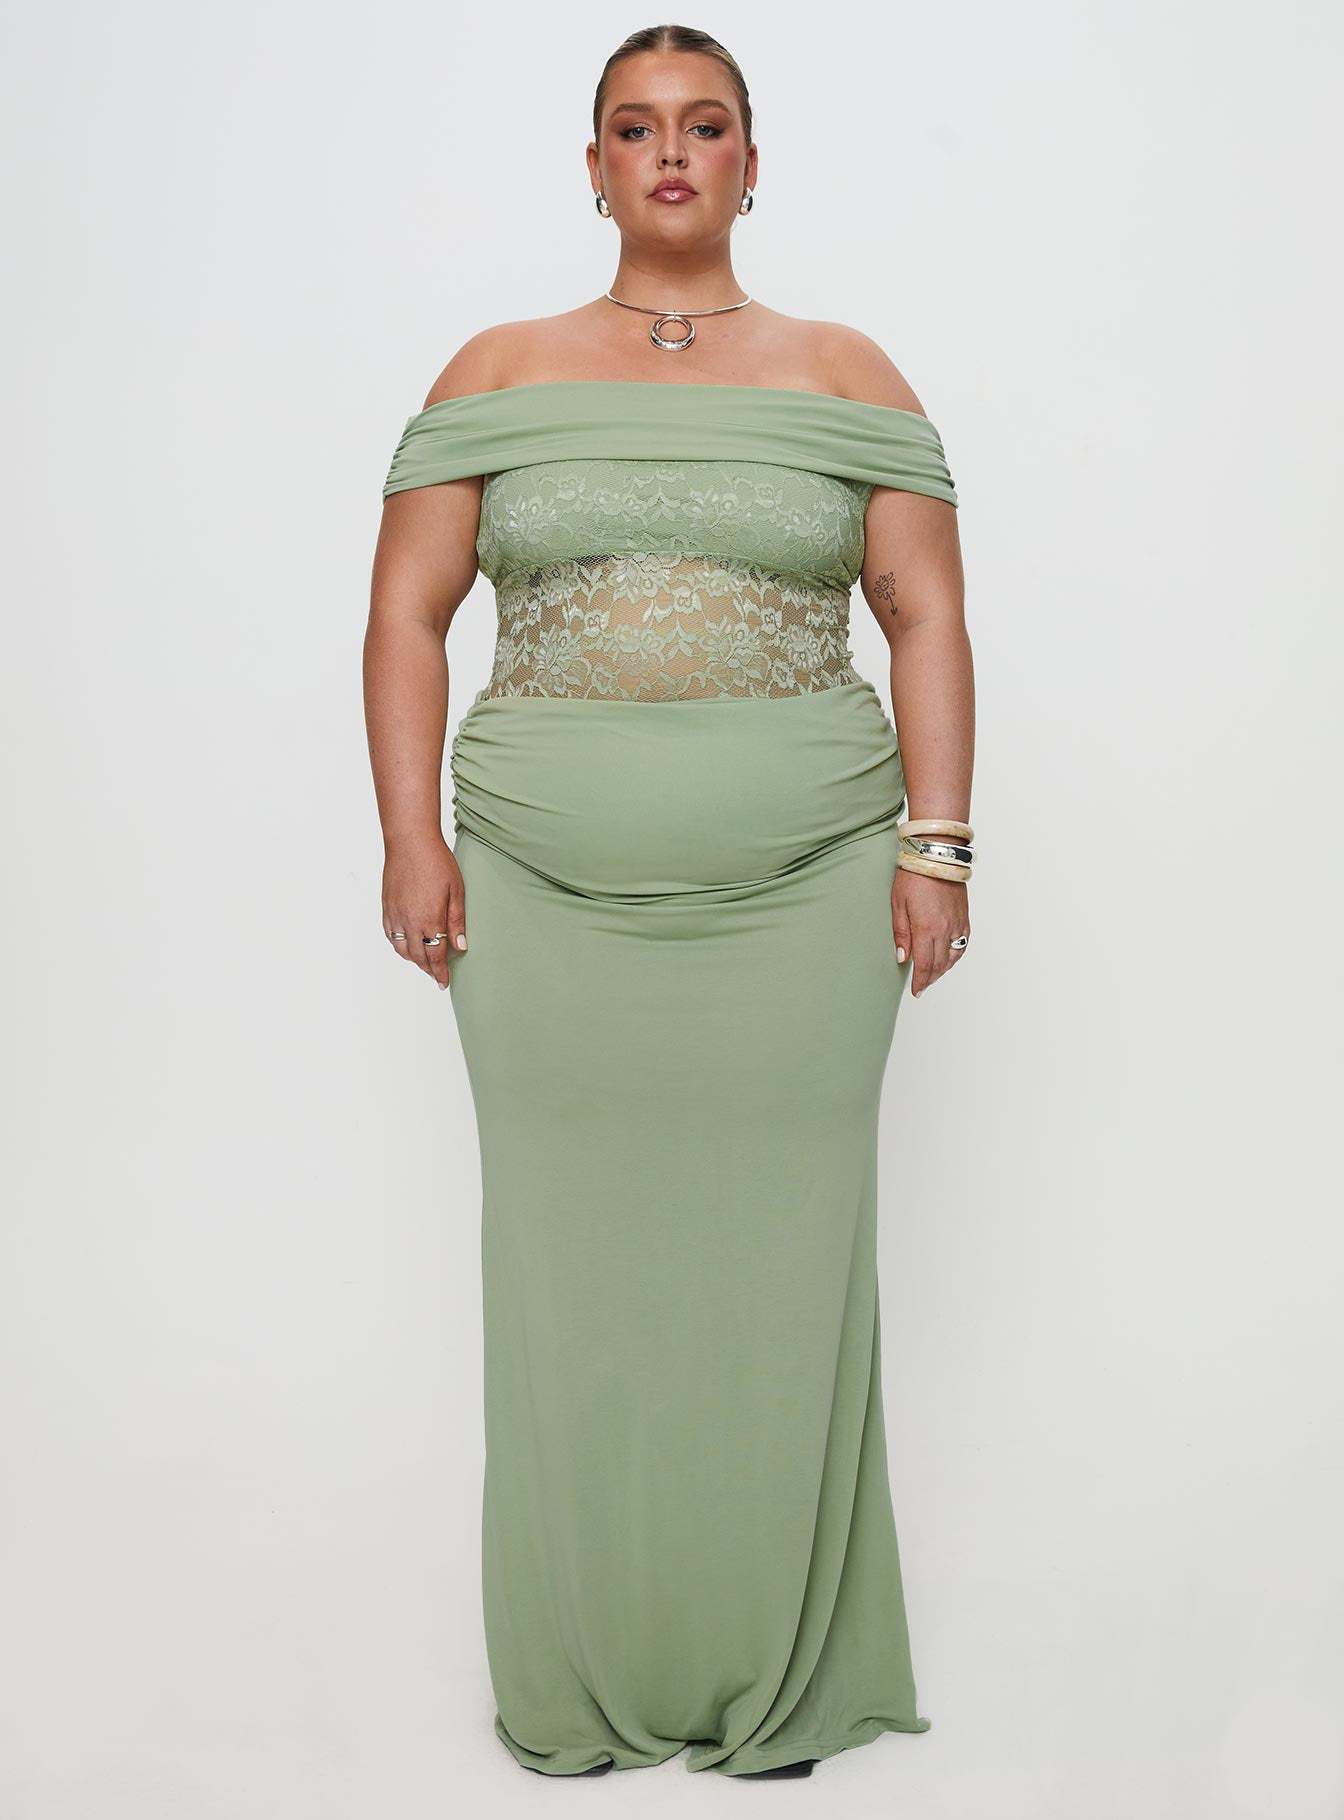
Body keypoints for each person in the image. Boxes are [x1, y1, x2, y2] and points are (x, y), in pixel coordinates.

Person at [363, 22, 974, 1780]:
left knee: (786, 1270)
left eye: (707, 125)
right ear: (596, 168)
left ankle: (781, 1669)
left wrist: (939, 846)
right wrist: (410, 840)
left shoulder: (850, 376)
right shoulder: (495, 369)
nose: (674, 152)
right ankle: (580, 1672)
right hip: (540, 898)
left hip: (811, 898)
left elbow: (925, 616)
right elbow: (407, 615)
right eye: (637, 128)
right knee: (566, 1276)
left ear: (752, 163)